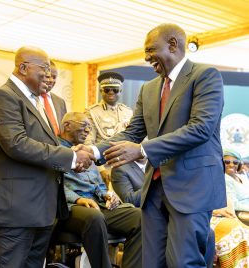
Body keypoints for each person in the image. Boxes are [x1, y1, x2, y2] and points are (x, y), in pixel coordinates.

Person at [77, 23, 226, 267]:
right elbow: (133, 131)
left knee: (183, 262)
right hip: (155, 191)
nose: (146, 57)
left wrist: (143, 150)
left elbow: (201, 128)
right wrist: (92, 151)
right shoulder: (149, 88)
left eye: (150, 50)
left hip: (192, 187)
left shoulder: (205, 75)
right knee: (151, 263)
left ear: (173, 45)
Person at [0, 46, 94, 268]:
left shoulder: (37, 101)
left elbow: (47, 146)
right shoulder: (3, 96)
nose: (49, 75)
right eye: (44, 68)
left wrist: (72, 160)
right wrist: (70, 157)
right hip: (16, 210)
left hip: (41, 209)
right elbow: (17, 144)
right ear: (23, 67)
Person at [58, 112, 142, 268]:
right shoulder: (55, 150)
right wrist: (78, 199)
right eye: (84, 126)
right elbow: (53, 184)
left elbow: (99, 185)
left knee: (139, 217)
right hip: (71, 207)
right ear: (67, 125)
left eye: (89, 127)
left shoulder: (88, 152)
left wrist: (108, 195)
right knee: (94, 217)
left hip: (98, 204)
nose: (88, 130)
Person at [85, 72, 133, 185]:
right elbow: (88, 143)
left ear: (120, 91)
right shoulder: (91, 112)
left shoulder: (128, 111)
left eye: (115, 89)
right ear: (101, 91)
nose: (111, 92)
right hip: (104, 166)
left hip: (127, 164)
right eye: (107, 89)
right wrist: (100, 169)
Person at [41, 60, 67, 134]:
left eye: (54, 77)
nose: (51, 80)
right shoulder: (31, 98)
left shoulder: (60, 102)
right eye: (48, 76)